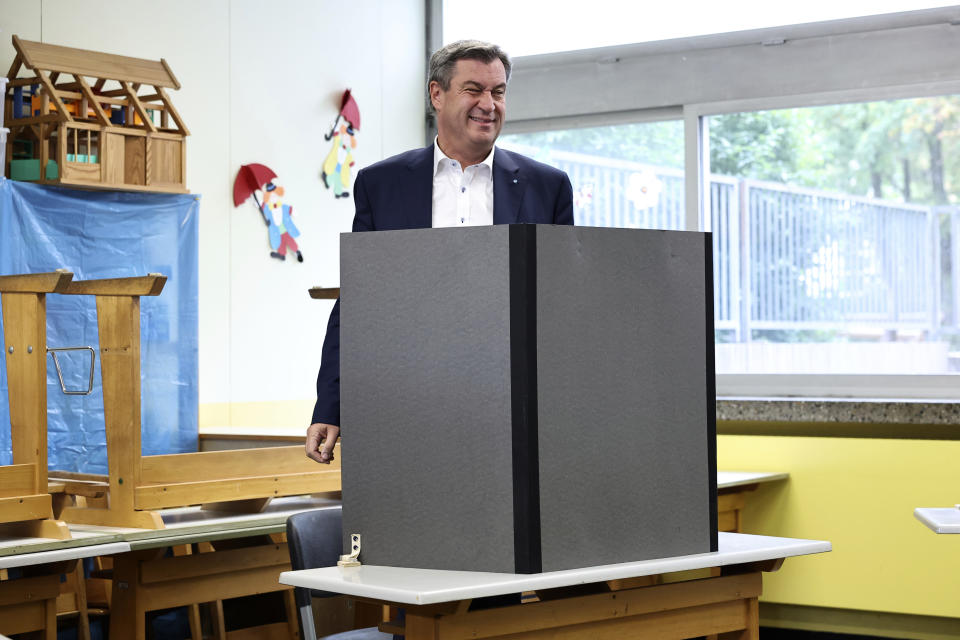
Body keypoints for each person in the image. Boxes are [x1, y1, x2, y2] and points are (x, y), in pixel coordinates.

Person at [306, 39, 574, 464]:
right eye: (474, 89)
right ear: (437, 94)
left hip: (515, 409)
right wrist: (331, 405)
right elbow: (358, 303)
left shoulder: (548, 186)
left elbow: (564, 307)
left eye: (498, 91)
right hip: (407, 405)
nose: (489, 103)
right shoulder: (381, 185)